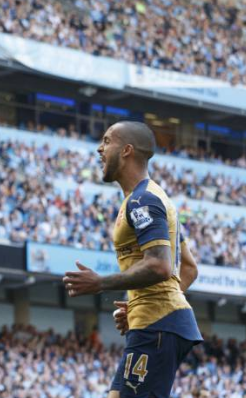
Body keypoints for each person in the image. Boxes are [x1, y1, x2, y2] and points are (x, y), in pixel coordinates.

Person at [62, 121, 202, 398]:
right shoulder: (151, 198)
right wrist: (140, 303)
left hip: (158, 327)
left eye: (106, 141)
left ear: (126, 150)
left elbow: (161, 266)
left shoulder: (143, 201)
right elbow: (188, 268)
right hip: (156, 323)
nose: (99, 149)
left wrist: (101, 282)